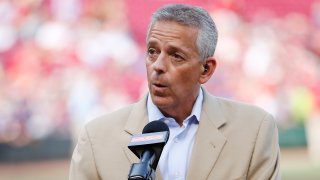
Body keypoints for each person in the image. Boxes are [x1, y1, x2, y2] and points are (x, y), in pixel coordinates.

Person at [69, 4, 280, 180]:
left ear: (206, 70)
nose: (158, 66)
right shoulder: (96, 139)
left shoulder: (254, 130)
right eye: (152, 51)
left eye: (176, 56)